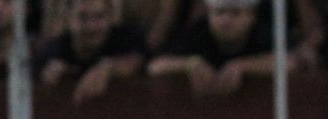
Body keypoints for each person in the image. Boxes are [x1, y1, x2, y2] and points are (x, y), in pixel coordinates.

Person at [146, 0, 292, 96]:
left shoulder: (264, 34)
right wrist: (191, 64)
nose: (225, 20)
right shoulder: (197, 33)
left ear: (252, 16)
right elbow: (155, 66)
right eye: (219, 13)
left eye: (236, 13)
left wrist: (243, 66)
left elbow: (292, 62)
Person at [33, 0, 145, 104]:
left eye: (99, 17)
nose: (91, 26)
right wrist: (45, 79)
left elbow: (139, 59)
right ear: (69, 19)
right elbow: (30, 83)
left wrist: (109, 68)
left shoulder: (126, 39)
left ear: (110, 17)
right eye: (82, 17)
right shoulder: (53, 51)